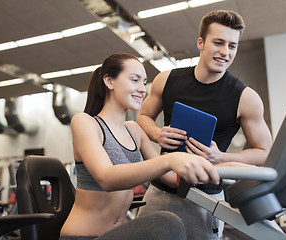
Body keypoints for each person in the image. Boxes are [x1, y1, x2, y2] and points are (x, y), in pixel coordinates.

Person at [136, 10, 273, 240]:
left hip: (206, 200)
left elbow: (264, 151)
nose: (225, 52)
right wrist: (157, 133)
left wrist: (221, 157)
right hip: (159, 191)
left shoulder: (245, 97)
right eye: (218, 43)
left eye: (232, 46)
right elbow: (143, 117)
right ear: (200, 42)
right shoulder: (167, 80)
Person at [59, 53, 221, 240]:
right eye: (135, 80)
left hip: (116, 234)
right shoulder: (86, 123)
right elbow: (106, 178)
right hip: (83, 237)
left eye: (144, 82)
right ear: (109, 81)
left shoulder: (134, 130)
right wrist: (170, 159)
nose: (142, 89)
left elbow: (169, 178)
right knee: (165, 223)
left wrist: (206, 164)